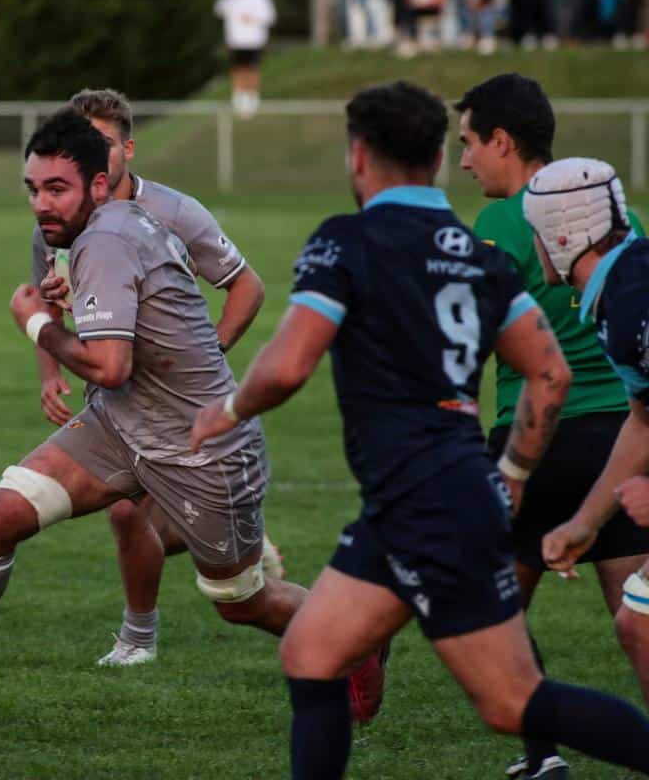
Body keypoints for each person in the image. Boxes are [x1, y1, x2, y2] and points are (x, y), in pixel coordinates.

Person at [0, 109, 386, 721]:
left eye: (57, 189)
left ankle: (360, 636)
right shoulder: (97, 229)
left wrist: (35, 323)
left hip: (200, 449)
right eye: (33, 189)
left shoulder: (107, 237)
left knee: (241, 601)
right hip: (120, 426)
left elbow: (110, 366)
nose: (40, 204)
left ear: (98, 186)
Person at [192, 80, 649, 780]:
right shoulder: (477, 254)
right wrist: (514, 476)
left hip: (424, 502)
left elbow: (286, 367)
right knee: (313, 654)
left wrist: (225, 412)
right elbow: (550, 374)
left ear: (358, 156)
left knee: (511, 700)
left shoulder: (347, 242)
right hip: (435, 495)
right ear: (438, 157)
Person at [31, 88, 280, 667]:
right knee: (123, 512)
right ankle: (140, 635)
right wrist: (48, 374)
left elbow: (249, 286)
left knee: (144, 523)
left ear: (128, 149)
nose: (97, 154)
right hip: (112, 397)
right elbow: (47, 308)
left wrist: (212, 348)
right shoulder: (60, 215)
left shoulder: (173, 212)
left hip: (180, 401)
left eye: (106, 144)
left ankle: (157, 617)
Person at [457, 72, 648, 780]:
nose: (466, 160)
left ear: (503, 141)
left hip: (532, 434)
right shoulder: (619, 222)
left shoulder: (502, 224)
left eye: (470, 143)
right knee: (636, 613)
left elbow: (476, 334)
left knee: (495, 600)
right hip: (623, 435)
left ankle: (542, 755)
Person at [529, 159, 649, 710]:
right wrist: (584, 524)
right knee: (638, 622)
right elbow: (643, 421)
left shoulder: (632, 304)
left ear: (561, 236)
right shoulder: (618, 292)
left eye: (535, 234)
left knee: (642, 625)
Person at [214, 0, 276, 117]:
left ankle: (252, 99)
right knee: (238, 68)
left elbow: (270, 16)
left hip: (254, 40)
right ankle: (239, 98)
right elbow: (218, 10)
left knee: (252, 68)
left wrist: (252, 18)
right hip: (236, 41)